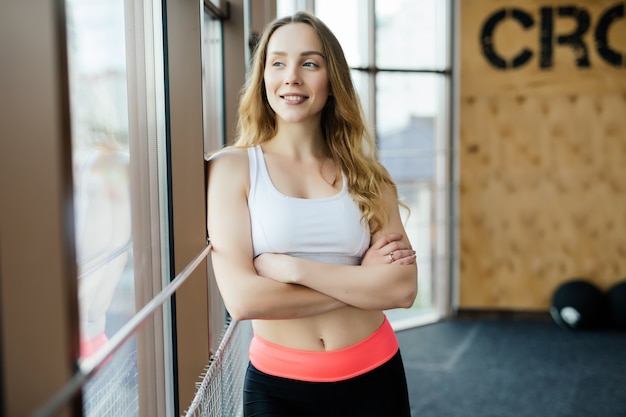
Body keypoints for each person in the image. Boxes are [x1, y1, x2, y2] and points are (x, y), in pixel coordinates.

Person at [206, 11, 418, 417]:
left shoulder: (370, 176)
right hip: (278, 387)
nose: (292, 77)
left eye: (309, 63)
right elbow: (244, 299)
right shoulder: (232, 169)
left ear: (331, 79)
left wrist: (292, 269)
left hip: (375, 373)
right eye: (278, 62)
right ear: (263, 76)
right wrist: (361, 280)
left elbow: (402, 290)